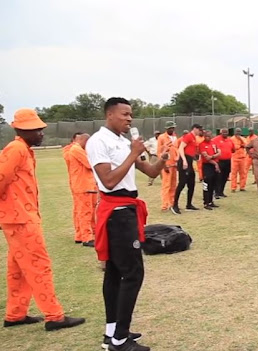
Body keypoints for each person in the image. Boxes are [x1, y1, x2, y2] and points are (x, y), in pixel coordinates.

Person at [88, 98, 169, 350]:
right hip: (116, 212)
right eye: (124, 114)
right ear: (110, 115)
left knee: (114, 272)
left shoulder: (124, 142)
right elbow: (109, 181)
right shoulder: (98, 142)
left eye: (131, 114)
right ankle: (119, 340)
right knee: (132, 273)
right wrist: (133, 153)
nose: (129, 119)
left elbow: (151, 172)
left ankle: (112, 332)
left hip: (128, 210)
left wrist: (163, 159)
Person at [1, 109, 86, 332]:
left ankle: (15, 314)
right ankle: (54, 316)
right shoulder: (17, 149)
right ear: (22, 130)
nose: (41, 133)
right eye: (37, 130)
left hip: (19, 217)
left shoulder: (23, 149)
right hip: (20, 219)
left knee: (19, 268)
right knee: (39, 266)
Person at [67, 133, 97, 246]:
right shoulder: (76, 149)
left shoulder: (73, 149)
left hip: (83, 185)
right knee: (86, 212)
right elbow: (90, 164)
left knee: (81, 211)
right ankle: (87, 237)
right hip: (84, 185)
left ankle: (80, 235)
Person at [172, 123, 202, 214]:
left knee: (191, 183)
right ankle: (175, 205)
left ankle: (189, 204)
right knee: (182, 183)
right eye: (199, 129)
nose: (200, 131)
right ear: (195, 129)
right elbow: (181, 148)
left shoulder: (194, 138)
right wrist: (184, 160)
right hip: (184, 161)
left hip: (189, 161)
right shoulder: (188, 136)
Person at [157, 122, 178, 211]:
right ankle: (164, 205)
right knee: (166, 185)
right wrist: (164, 164)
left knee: (173, 185)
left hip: (174, 164)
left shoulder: (175, 137)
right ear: (167, 129)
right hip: (167, 165)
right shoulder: (162, 137)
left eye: (173, 128)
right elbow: (159, 152)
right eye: (170, 128)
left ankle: (172, 203)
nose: (172, 130)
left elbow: (176, 149)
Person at [198, 130, 221, 210]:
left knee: (213, 184)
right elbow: (206, 157)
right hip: (207, 166)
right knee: (207, 185)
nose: (208, 137)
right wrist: (215, 162)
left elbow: (219, 152)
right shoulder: (202, 144)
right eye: (206, 136)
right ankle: (206, 202)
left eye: (209, 136)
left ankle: (211, 201)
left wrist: (212, 156)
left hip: (214, 165)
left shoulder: (214, 143)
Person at [213, 128, 233, 198]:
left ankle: (221, 192)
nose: (225, 134)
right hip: (219, 161)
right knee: (218, 177)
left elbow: (233, 149)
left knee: (225, 177)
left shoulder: (230, 140)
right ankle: (216, 192)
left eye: (226, 132)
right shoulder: (215, 140)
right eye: (223, 132)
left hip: (228, 161)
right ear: (220, 133)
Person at [230, 128, 249, 192]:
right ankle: (233, 187)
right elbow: (234, 147)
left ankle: (242, 187)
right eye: (237, 131)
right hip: (234, 158)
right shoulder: (231, 139)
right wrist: (240, 146)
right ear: (234, 132)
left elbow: (246, 145)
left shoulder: (243, 139)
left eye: (239, 132)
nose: (238, 133)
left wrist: (240, 139)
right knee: (234, 174)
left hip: (243, 158)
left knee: (243, 173)